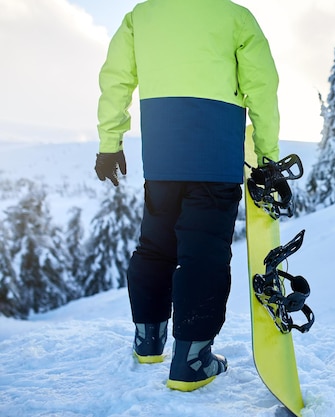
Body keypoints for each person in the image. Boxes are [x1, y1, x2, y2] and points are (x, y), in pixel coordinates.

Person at [94, 0, 280, 392]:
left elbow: (116, 78)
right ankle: (192, 361)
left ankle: (148, 342)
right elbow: (262, 86)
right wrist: (267, 156)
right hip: (215, 150)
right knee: (205, 253)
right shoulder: (235, 17)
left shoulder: (141, 16)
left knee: (155, 245)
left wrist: (110, 142)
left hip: (162, 153)